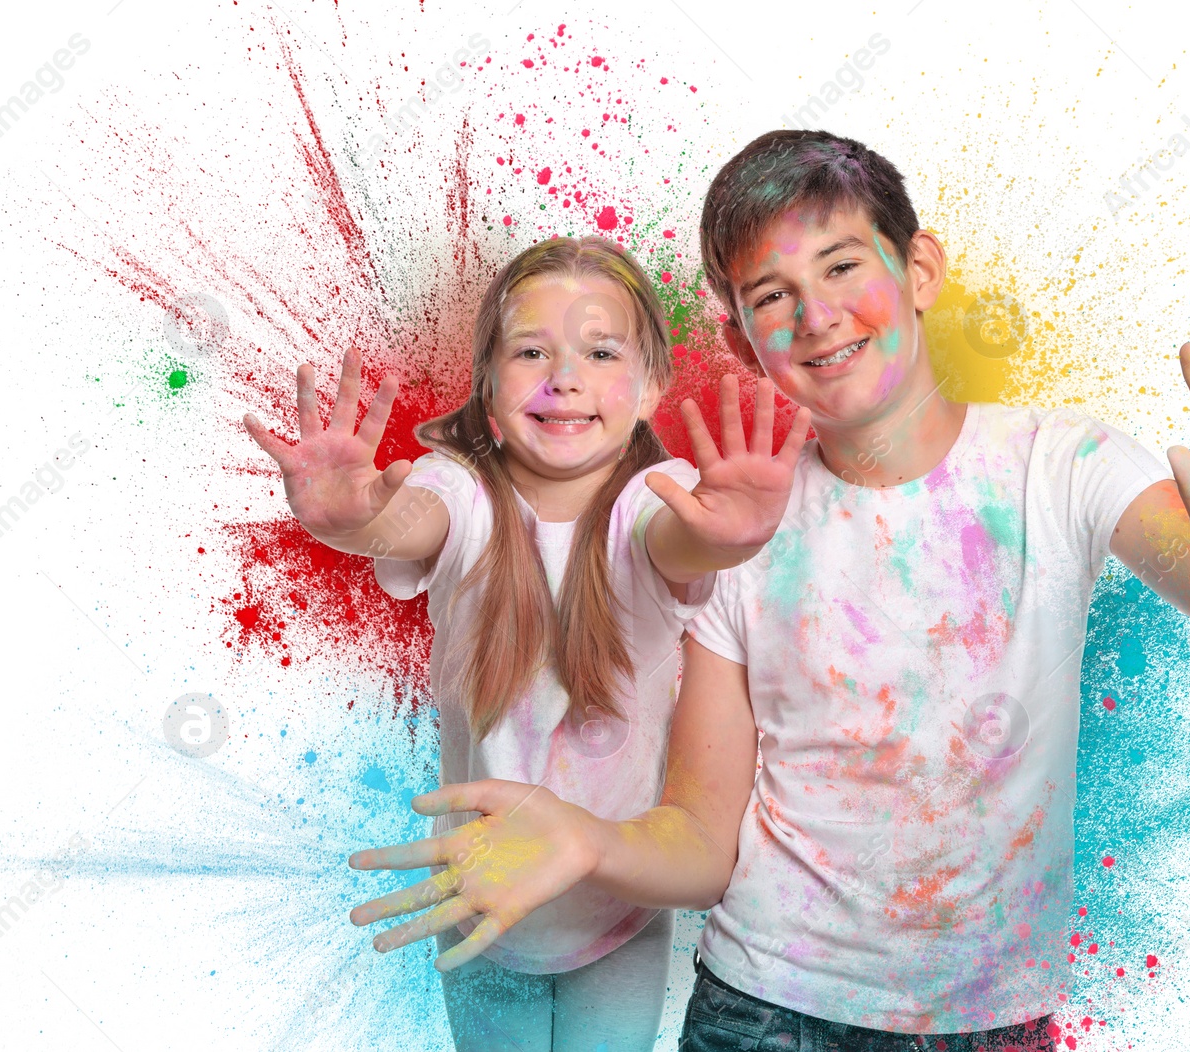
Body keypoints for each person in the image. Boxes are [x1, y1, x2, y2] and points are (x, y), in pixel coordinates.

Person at [346, 132, 1190, 1049]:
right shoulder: (729, 527)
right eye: (771, 297)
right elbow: (702, 842)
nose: (815, 317)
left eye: (844, 265)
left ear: (919, 266)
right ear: (739, 338)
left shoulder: (1065, 463)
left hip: (995, 1016)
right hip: (759, 1009)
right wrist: (588, 840)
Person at [243, 235, 809, 1052]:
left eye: (600, 351)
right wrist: (350, 521)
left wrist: (733, 539)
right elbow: (407, 519)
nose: (563, 376)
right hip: (477, 903)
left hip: (617, 907)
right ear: (489, 385)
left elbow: (682, 545)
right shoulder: (458, 490)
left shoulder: (659, 499)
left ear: (651, 386)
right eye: (531, 351)